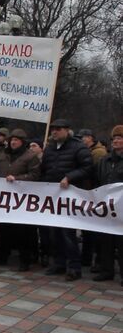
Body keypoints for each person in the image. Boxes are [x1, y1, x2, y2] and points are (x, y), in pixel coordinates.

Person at [41, 119, 92, 281]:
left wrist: (69, 177)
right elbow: (45, 170)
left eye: (58, 129)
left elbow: (87, 167)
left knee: (68, 233)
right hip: (53, 196)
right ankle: (59, 263)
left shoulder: (78, 147)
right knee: (54, 232)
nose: (54, 132)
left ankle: (74, 267)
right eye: (53, 129)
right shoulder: (49, 149)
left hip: (70, 196)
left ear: (67, 130)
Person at [0, 129, 41, 271]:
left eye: (16, 140)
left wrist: (17, 179)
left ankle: (24, 260)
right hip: (5, 197)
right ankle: (1, 256)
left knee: (22, 231)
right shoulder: (4, 154)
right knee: (4, 229)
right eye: (12, 139)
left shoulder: (30, 156)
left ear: (22, 142)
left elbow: (35, 175)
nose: (13, 142)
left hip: (21, 198)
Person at [93, 125, 123, 286]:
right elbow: (98, 180)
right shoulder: (105, 160)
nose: (116, 141)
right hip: (106, 207)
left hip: (122, 208)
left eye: (119, 138)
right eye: (114, 138)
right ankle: (106, 270)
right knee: (105, 240)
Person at [77, 128, 108, 269]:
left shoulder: (98, 153)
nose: (82, 140)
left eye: (83, 137)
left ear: (90, 138)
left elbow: (94, 172)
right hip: (86, 192)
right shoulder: (88, 151)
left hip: (94, 192)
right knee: (86, 228)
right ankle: (86, 257)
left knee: (92, 230)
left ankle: (91, 258)